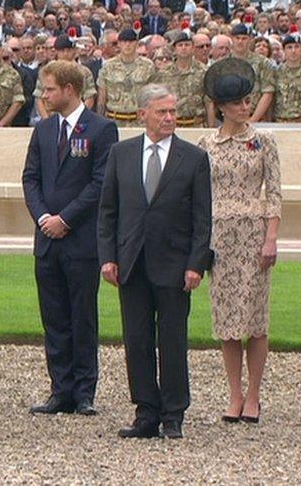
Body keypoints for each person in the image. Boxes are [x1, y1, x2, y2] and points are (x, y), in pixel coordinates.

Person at [97, 84, 213, 440]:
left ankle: (173, 412)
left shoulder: (192, 158)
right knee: (137, 339)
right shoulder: (122, 153)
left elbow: (202, 218)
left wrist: (196, 263)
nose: (169, 118)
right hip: (132, 261)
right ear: (142, 113)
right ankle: (146, 410)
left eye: (173, 111)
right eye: (162, 111)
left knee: (173, 339)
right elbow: (108, 211)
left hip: (175, 263)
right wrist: (108, 258)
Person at [23, 60, 118, 417]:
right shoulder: (43, 130)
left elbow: (100, 183)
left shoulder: (101, 129)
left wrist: (66, 218)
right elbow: (30, 178)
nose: (44, 96)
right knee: (54, 316)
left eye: (49, 89)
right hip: (47, 239)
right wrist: (44, 216)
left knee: (82, 315)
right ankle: (59, 388)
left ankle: (83, 390)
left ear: (70, 90)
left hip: (80, 240)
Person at [198, 59, 280, 425]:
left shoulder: (263, 142)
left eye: (248, 101)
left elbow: (274, 193)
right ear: (221, 107)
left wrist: (271, 238)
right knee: (227, 319)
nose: (245, 108)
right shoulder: (206, 144)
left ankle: (255, 395)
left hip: (254, 232)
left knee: (256, 318)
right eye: (238, 103)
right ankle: (234, 392)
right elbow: (198, 196)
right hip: (220, 235)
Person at [96, 28, 155, 125]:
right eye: (124, 42)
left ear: (136, 43)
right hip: (114, 119)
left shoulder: (148, 66)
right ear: (119, 44)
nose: (127, 45)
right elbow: (101, 98)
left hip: (140, 121)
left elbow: (153, 96)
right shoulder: (108, 66)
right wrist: (99, 122)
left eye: (131, 41)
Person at [150, 33, 210, 127]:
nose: (184, 48)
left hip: (197, 125)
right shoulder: (163, 73)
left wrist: (211, 127)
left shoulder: (204, 71)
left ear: (193, 47)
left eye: (187, 45)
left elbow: (208, 102)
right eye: (180, 45)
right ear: (174, 49)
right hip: (171, 124)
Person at [273, 35, 301, 122]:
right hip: (281, 122)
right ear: (284, 50)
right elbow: (271, 99)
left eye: (297, 47)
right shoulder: (275, 72)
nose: (293, 51)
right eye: (289, 47)